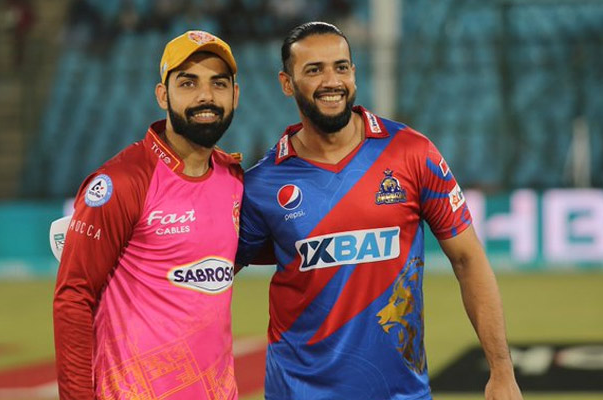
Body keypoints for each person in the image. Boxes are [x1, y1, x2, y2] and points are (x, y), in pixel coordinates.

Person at [235, 22, 523, 400]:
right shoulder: (262, 185)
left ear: (354, 72)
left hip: (401, 393)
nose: (331, 80)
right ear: (286, 83)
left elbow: (469, 260)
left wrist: (501, 371)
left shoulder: (411, 153)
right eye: (314, 69)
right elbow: (208, 280)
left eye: (341, 66)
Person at [53, 30, 243, 400]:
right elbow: (73, 298)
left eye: (218, 83)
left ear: (235, 95)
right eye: (188, 83)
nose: (206, 96)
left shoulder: (233, 177)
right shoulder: (121, 181)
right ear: (162, 95)